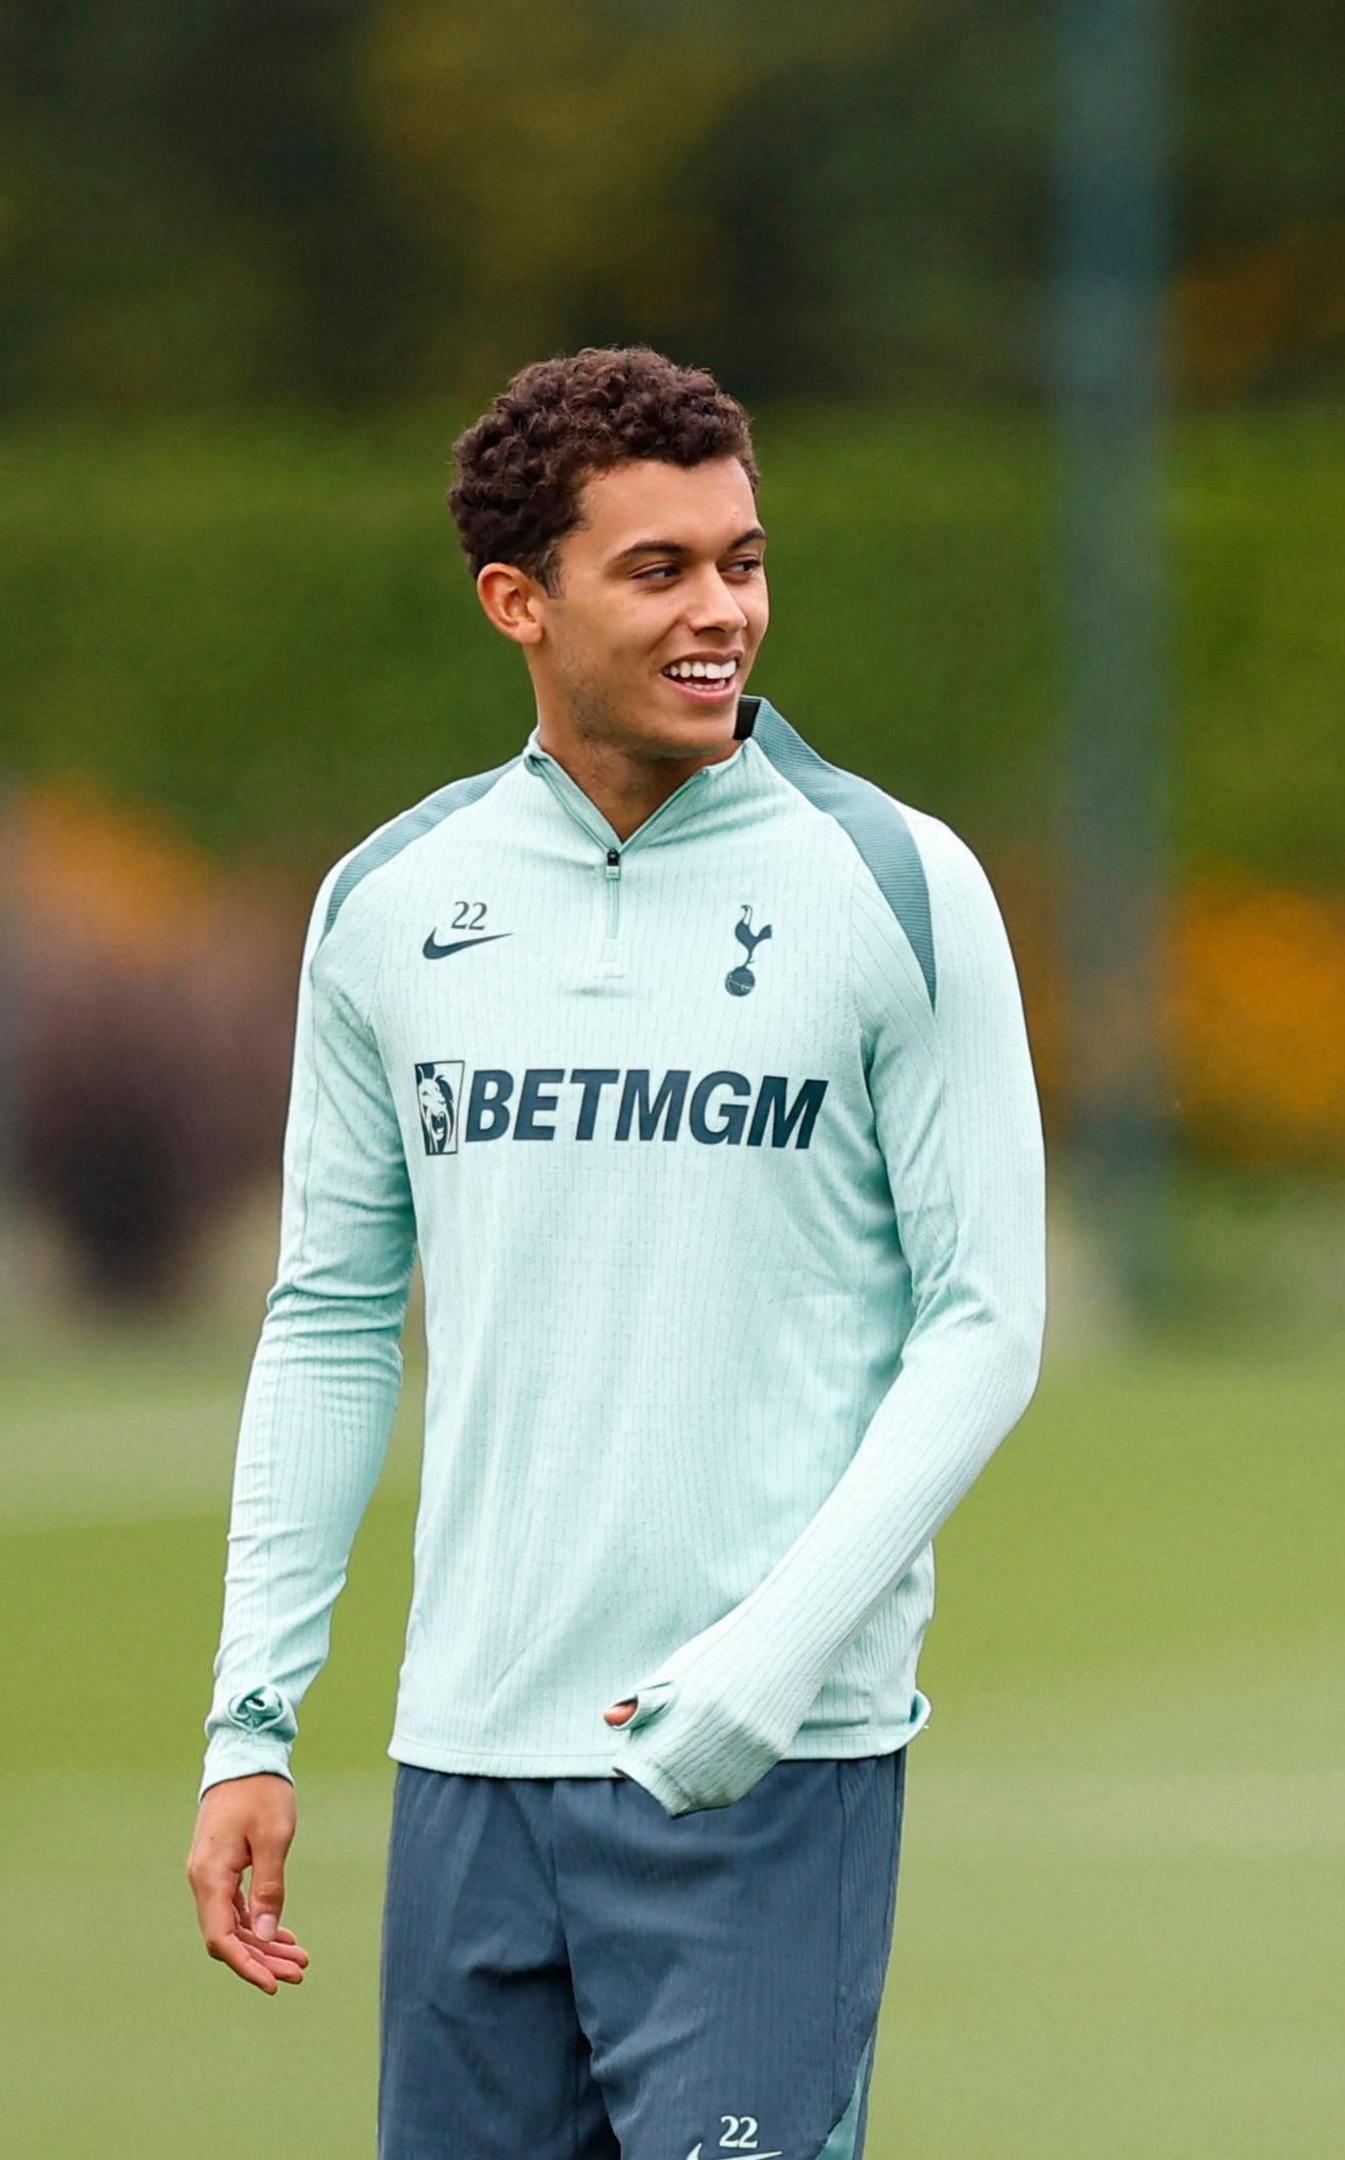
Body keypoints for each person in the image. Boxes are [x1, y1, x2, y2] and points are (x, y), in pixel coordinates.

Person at [183, 346, 1044, 2159]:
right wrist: (249, 1720)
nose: (721, 609)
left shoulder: (894, 881)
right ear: (519, 600)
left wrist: (768, 1665)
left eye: (740, 559)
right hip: (467, 1774)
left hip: (768, 1770)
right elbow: (331, 1320)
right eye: (659, 571)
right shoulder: (392, 905)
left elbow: (986, 1323)